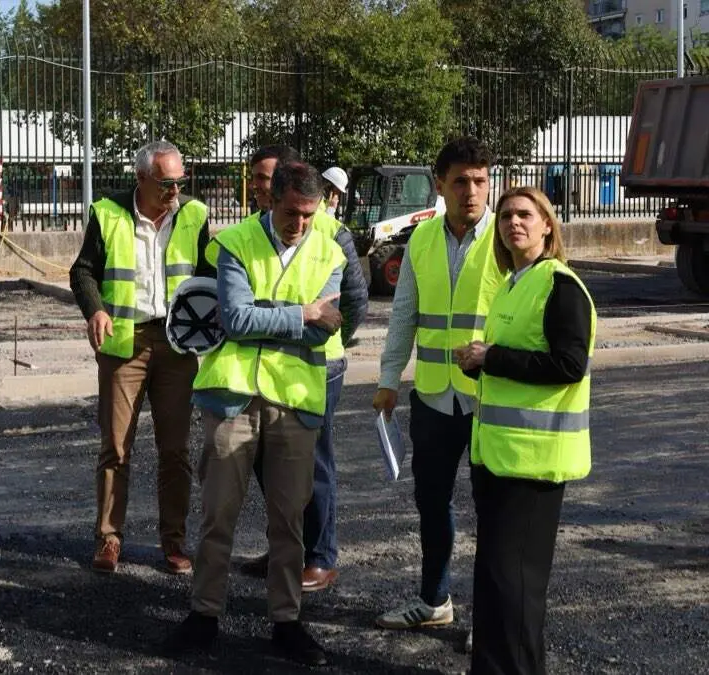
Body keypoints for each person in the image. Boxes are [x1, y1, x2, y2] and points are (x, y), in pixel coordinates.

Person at [166, 161, 344, 667]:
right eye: (292, 213)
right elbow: (236, 319)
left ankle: (287, 622)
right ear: (271, 200)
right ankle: (204, 614)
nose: (300, 224)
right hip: (232, 397)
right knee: (218, 513)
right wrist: (302, 312)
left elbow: (326, 329)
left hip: (295, 401)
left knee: (289, 520)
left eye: (309, 215)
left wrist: (283, 316)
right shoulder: (235, 242)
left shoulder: (329, 251)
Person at [454, 187, 595, 675]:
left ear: (547, 225)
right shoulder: (514, 283)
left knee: (516, 588)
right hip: (500, 456)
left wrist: (492, 357)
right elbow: (516, 361)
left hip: (532, 465)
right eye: (506, 216)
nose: (513, 222)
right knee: (496, 581)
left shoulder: (560, 286)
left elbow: (570, 365)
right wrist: (480, 362)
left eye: (525, 215)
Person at [373, 137, 503, 638]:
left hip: (490, 397)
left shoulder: (507, 236)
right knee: (432, 502)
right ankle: (434, 600)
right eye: (461, 181)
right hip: (432, 397)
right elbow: (404, 313)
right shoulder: (423, 238)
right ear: (439, 184)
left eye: (481, 181)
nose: (472, 192)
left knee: (494, 509)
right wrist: (388, 379)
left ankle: (490, 619)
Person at [68, 140, 214, 576]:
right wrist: (95, 310)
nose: (175, 191)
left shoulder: (194, 215)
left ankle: (174, 543)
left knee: (176, 451)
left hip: (178, 345)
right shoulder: (108, 213)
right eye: (166, 183)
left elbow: (208, 277)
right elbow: (83, 271)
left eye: (179, 181)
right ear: (141, 178)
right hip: (123, 346)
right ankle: (109, 538)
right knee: (115, 447)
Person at [237, 146, 368, 594]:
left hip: (319, 364)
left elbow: (355, 299)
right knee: (272, 463)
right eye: (256, 178)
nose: (258, 186)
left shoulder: (330, 230)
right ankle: (286, 546)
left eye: (264, 177)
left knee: (315, 464)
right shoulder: (254, 228)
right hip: (270, 364)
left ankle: (321, 556)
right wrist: (294, 319)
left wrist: (333, 335)